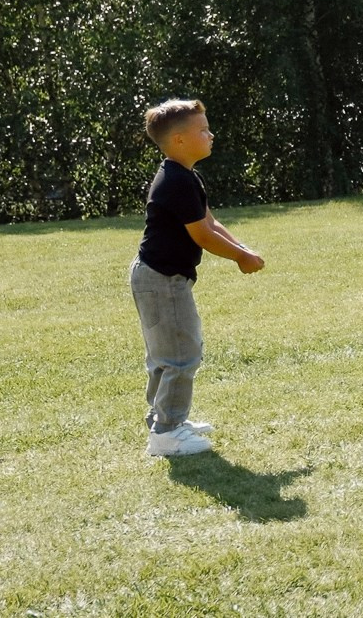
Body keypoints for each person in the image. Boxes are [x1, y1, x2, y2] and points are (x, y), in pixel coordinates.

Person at [131, 99, 264, 458]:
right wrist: (240, 257)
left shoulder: (185, 176)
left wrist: (243, 247)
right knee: (179, 354)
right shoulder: (175, 180)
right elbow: (201, 236)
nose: (211, 135)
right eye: (203, 130)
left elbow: (210, 222)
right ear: (178, 141)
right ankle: (167, 433)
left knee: (166, 353)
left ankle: (166, 419)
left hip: (157, 277)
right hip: (162, 278)